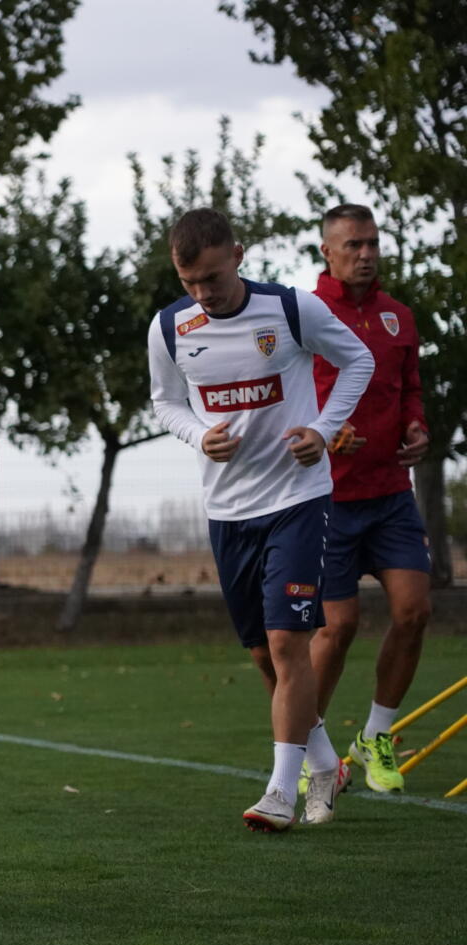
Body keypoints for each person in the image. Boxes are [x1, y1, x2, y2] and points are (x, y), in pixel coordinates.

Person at [147, 207, 373, 831]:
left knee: (286, 642)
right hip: (227, 511)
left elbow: (358, 361)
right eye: (189, 281)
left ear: (239, 255)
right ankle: (324, 764)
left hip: (297, 501)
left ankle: (280, 791)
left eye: (213, 278)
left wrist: (323, 430)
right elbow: (165, 402)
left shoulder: (291, 308)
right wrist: (198, 435)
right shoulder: (169, 327)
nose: (202, 292)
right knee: (262, 656)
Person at [305, 203, 431, 794]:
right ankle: (308, 750)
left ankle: (375, 736)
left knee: (414, 611)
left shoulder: (398, 317)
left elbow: (410, 390)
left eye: (372, 243)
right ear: (327, 251)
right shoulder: (305, 314)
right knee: (338, 628)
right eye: (353, 244)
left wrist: (416, 427)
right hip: (327, 498)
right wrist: (325, 431)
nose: (365, 254)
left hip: (390, 496)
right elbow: (290, 394)